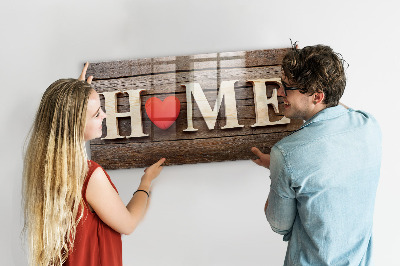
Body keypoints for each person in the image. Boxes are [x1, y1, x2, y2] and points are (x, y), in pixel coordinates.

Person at [22, 63, 165, 266]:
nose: (104, 116)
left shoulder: (43, 168)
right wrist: (146, 182)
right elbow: (128, 223)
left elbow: (63, 118)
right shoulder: (89, 176)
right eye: (97, 114)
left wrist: (77, 95)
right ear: (75, 124)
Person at [251, 44, 381, 265]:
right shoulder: (369, 125)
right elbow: (337, 107)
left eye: (287, 87)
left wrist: (278, 169)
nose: (280, 92)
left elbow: (279, 225)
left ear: (317, 96)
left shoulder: (286, 154)